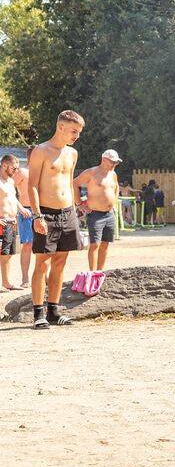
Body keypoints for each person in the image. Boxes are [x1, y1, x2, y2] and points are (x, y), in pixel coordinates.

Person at [27, 110, 86, 327]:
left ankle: (53, 310)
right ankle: (38, 314)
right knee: (42, 262)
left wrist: (76, 208)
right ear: (60, 127)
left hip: (67, 212)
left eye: (79, 132)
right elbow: (32, 184)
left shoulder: (72, 153)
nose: (76, 135)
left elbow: (69, 182)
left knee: (60, 262)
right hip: (46, 212)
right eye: (73, 131)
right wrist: (37, 216)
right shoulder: (41, 151)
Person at [73, 149, 122, 271]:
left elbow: (116, 187)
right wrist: (79, 204)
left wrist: (114, 202)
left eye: (116, 163)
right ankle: (92, 273)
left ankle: (100, 272)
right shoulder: (91, 172)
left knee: (105, 244)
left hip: (109, 214)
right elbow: (74, 183)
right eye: (112, 162)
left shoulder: (113, 174)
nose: (114, 165)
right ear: (104, 159)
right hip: (95, 214)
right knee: (95, 244)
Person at [12, 152, 34, 288]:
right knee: (27, 244)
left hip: (42, 210)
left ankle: (45, 276)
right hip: (26, 210)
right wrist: (19, 207)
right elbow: (7, 190)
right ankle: (25, 278)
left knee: (44, 246)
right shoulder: (22, 172)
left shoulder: (43, 171)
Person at [0, 154, 22, 290]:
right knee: (2, 253)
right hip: (2, 221)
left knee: (8, 254)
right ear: (4, 165)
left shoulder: (10, 181)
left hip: (12, 221)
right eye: (14, 168)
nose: (16, 171)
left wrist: (21, 209)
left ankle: (6, 282)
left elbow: (13, 199)